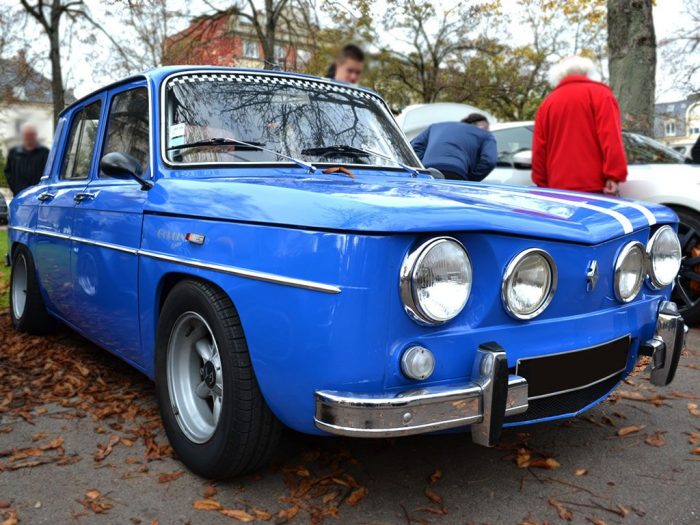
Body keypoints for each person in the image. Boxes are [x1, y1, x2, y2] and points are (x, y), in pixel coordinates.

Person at [532, 56, 627, 195]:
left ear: (560, 75)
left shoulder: (547, 104)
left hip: (557, 188)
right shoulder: (601, 95)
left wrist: (542, 183)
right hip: (595, 185)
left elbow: (539, 149)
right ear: (588, 72)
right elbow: (611, 138)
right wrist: (614, 175)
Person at [410, 113, 497, 181]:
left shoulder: (435, 126)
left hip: (427, 172)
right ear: (482, 126)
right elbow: (489, 161)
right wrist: (472, 178)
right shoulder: (485, 134)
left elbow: (414, 147)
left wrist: (422, 165)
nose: (487, 130)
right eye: (486, 128)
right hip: (456, 173)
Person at [4, 123, 49, 195]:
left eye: (31, 135)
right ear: (23, 136)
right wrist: (15, 188)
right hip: (19, 194)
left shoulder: (44, 152)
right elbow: (8, 172)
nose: (29, 137)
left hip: (38, 195)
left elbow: (48, 172)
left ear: (35, 136)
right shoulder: (14, 152)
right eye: (27, 135)